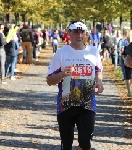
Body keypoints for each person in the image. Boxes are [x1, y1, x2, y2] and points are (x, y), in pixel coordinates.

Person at [46, 21, 104, 150]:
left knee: (85, 143)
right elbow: (49, 80)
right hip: (66, 105)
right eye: (76, 32)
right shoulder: (61, 53)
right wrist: (62, 74)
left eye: (82, 32)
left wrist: (99, 82)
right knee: (66, 144)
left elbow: (98, 71)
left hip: (87, 105)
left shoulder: (93, 51)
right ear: (69, 33)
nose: (79, 35)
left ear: (86, 34)